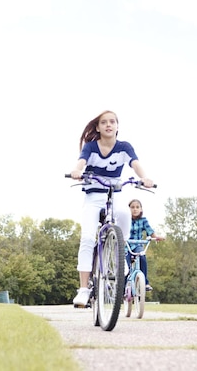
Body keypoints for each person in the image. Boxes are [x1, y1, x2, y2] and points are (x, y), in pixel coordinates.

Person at [69, 110, 155, 307]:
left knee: (124, 213)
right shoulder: (91, 147)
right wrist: (77, 171)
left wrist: (144, 178)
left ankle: (120, 256)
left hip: (115, 193)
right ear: (98, 127)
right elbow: (81, 162)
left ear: (117, 126)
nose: (108, 125)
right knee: (88, 238)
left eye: (112, 122)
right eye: (104, 122)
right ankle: (83, 289)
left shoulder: (124, 147)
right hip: (93, 195)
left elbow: (135, 164)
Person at [126, 199, 164, 292]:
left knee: (142, 257)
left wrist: (155, 237)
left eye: (137, 207)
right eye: (132, 207)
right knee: (125, 267)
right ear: (128, 209)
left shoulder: (143, 221)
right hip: (126, 246)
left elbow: (149, 230)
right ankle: (122, 288)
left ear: (141, 209)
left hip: (137, 245)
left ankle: (145, 283)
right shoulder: (126, 220)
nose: (135, 209)